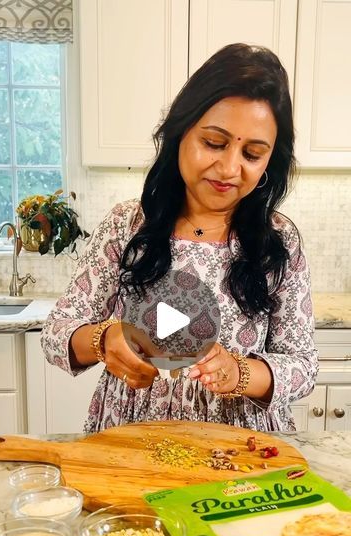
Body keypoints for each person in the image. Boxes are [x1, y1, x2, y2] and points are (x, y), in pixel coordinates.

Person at [41, 43, 318, 433]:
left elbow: (303, 366)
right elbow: (56, 333)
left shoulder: (280, 241)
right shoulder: (128, 224)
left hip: (243, 442)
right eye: (214, 143)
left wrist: (238, 373)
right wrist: (105, 340)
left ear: (270, 161)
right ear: (180, 133)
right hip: (133, 432)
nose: (229, 168)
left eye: (253, 154)